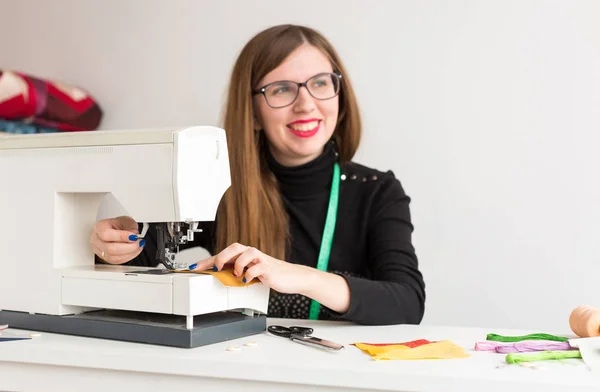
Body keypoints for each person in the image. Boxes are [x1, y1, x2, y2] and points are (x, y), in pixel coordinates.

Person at [90, 24, 425, 325]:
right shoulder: (220, 188)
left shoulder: (376, 191)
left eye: (321, 83)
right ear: (251, 113)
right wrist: (113, 247)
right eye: (281, 89)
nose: (306, 104)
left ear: (340, 94)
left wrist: (296, 276)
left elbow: (408, 303)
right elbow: (141, 255)